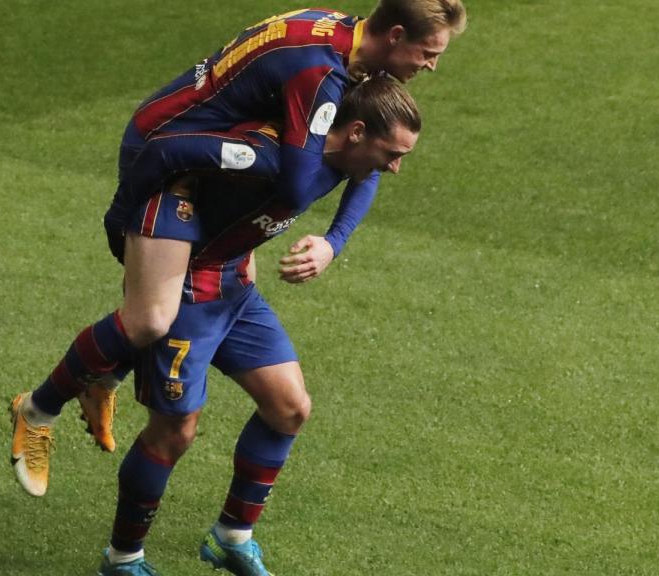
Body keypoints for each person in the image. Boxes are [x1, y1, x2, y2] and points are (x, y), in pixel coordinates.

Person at [10, 0, 465, 491]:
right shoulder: (319, 73)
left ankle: (105, 377)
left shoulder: (340, 41)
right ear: (395, 35)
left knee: (206, 284)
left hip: (205, 160)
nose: (431, 65)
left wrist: (333, 241)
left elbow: (370, 151)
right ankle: (38, 409)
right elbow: (296, 184)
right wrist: (123, 214)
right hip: (167, 157)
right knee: (152, 317)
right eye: (428, 52)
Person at [73, 77, 414, 575]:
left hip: (233, 288)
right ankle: (123, 558)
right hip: (188, 288)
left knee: (289, 408)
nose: (396, 166)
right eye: (393, 151)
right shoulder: (271, 154)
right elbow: (175, 157)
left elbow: (369, 176)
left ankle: (231, 536)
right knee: (174, 429)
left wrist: (331, 241)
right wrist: (130, 235)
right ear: (358, 131)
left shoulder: (349, 156)